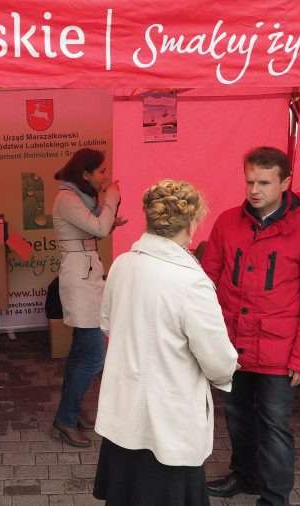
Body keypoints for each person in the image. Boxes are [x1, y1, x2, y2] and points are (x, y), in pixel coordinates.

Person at [94, 180, 239, 506]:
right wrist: (228, 369)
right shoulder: (191, 282)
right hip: (170, 422)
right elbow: (218, 361)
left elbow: (107, 323)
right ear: (191, 225)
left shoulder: (122, 265)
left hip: (124, 414)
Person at [202, 147, 300, 506]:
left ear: (285, 182)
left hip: (279, 350)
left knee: (274, 425)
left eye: (263, 182)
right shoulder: (227, 222)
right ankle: (245, 476)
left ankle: (274, 498)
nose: (254, 190)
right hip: (233, 343)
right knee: (237, 417)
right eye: (249, 182)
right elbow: (206, 280)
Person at [51, 148, 123, 448]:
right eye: (101, 171)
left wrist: (108, 215)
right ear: (85, 174)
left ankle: (71, 410)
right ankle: (65, 419)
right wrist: (111, 200)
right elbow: (99, 228)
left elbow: (95, 227)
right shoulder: (66, 198)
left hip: (86, 275)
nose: (106, 176)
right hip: (80, 280)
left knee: (82, 352)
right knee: (94, 355)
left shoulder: (76, 198)